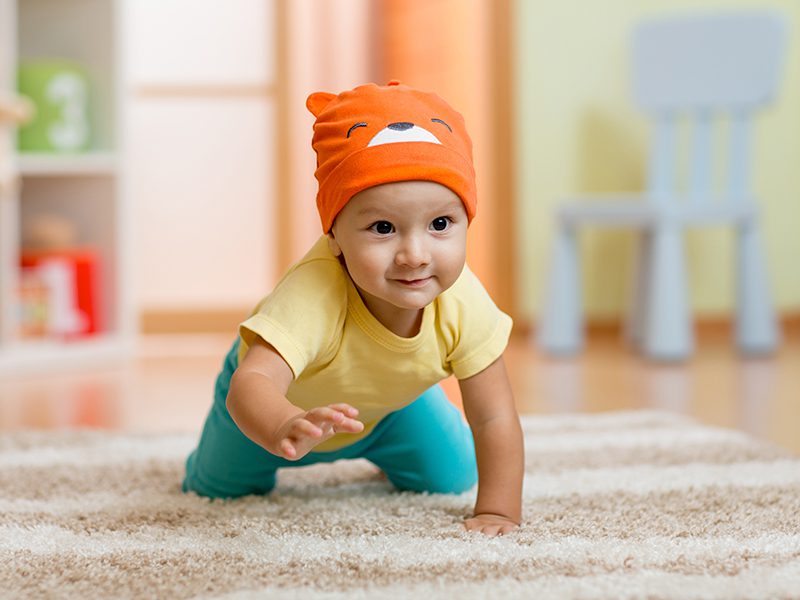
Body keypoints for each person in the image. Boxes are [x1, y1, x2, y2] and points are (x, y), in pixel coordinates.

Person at [183, 81, 524, 536]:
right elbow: (255, 381)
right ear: (334, 237)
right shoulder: (313, 294)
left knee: (454, 476)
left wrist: (498, 512)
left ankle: (399, 420)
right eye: (383, 227)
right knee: (215, 490)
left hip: (390, 408)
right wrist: (285, 423)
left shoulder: (463, 301)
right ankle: (249, 446)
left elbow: (493, 415)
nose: (415, 254)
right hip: (274, 410)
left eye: (440, 224)